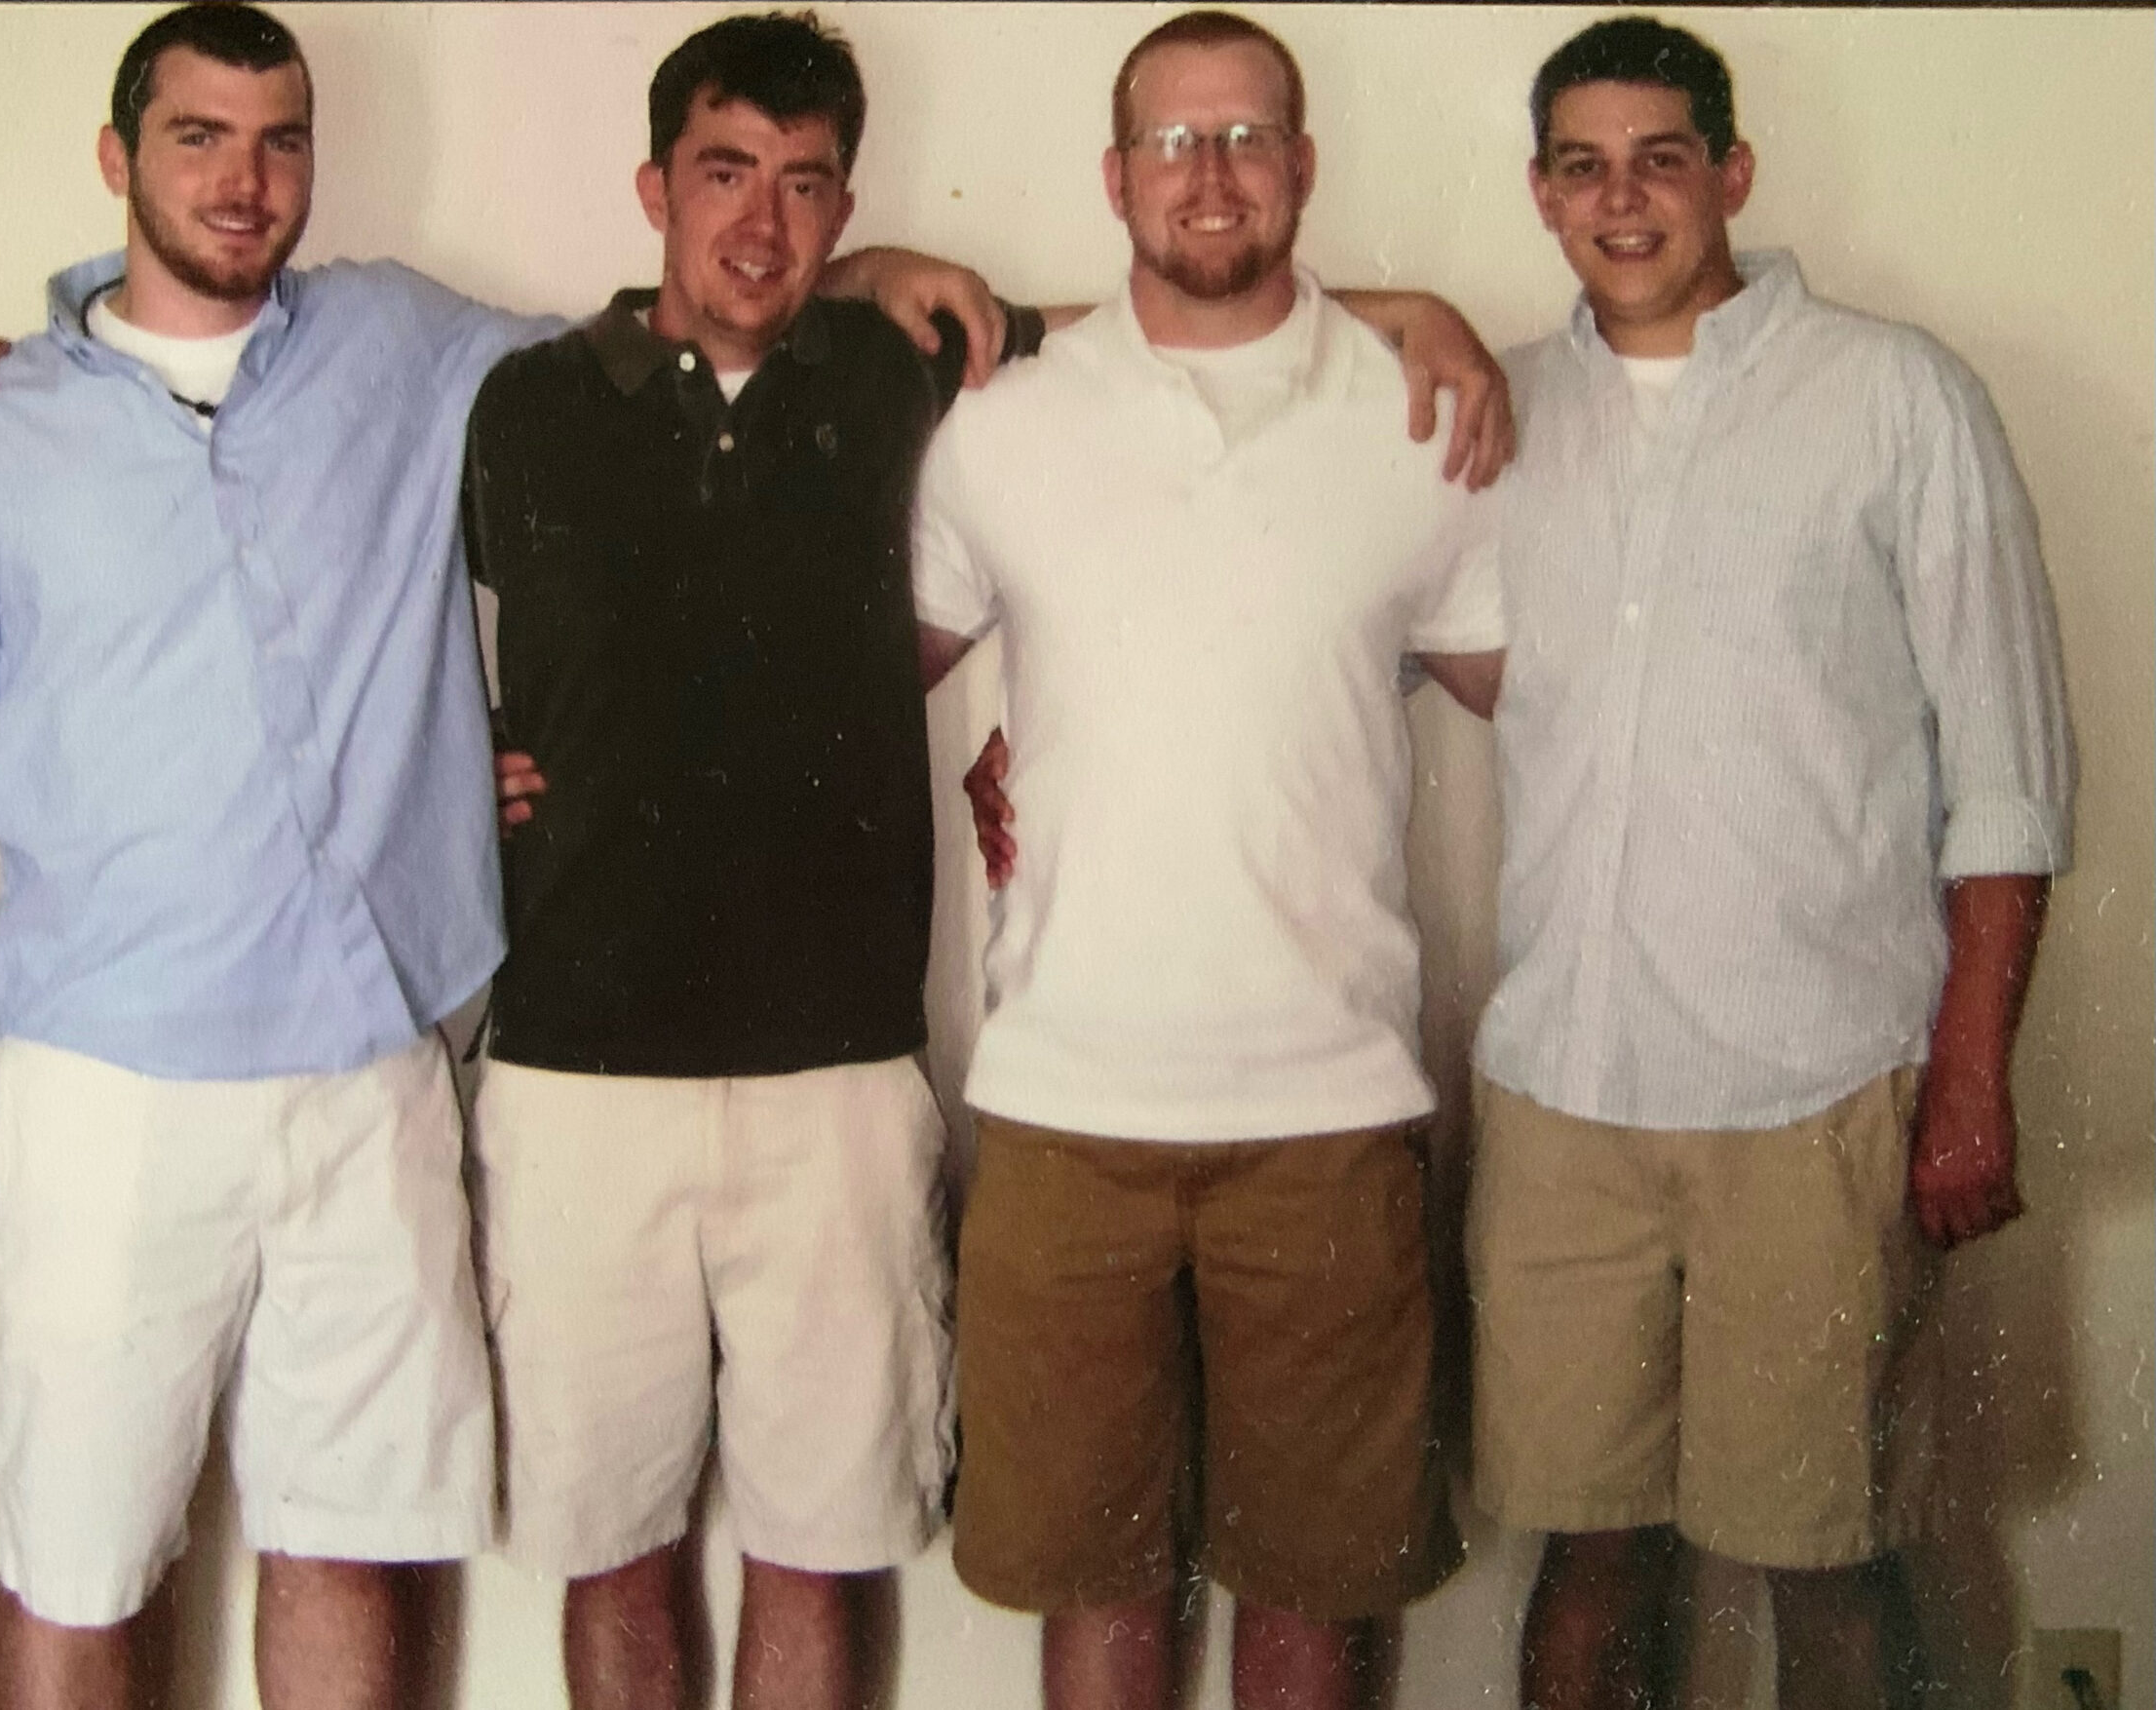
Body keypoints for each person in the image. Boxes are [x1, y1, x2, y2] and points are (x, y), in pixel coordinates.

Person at [0, 6, 1000, 1706]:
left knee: (351, 1545)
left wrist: (863, 262)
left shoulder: (406, 348)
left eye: (279, 140)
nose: (244, 181)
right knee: (77, 1556)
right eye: (198, 138)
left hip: (371, 1081)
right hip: (109, 1085)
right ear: (118, 160)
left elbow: (687, 313)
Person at [464, 15, 1516, 1709]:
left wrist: (1403, 311)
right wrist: (456, 765)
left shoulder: (904, 382)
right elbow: (353, 592)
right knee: (619, 1548)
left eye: (810, 188)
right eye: (726, 174)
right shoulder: (514, 405)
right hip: (591, 1070)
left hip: (850, 1071)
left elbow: (1185, 317)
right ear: (653, 187)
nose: (764, 222)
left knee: (831, 1547)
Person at [1465, 19, 2072, 1710]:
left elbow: (2012, 779)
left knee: (1833, 1559)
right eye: (1581, 163)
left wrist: (1970, 1082)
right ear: (1540, 193)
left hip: (1815, 1096)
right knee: (1587, 1555)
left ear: (1732, 174)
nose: (1624, 196)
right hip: (1564, 1097)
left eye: (1663, 155)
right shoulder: (1497, 411)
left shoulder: (1895, 396)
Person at [911, 14, 1505, 1709]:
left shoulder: (1424, 426)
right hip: (1065, 1107)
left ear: (1305, 166)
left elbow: (1562, 704)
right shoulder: (1001, 426)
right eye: (1173, 141)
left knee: (1316, 1601)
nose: (1212, 172)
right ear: (1115, 178)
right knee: (1098, 1600)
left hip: (1326, 1111)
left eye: (1249, 135)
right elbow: (850, 689)